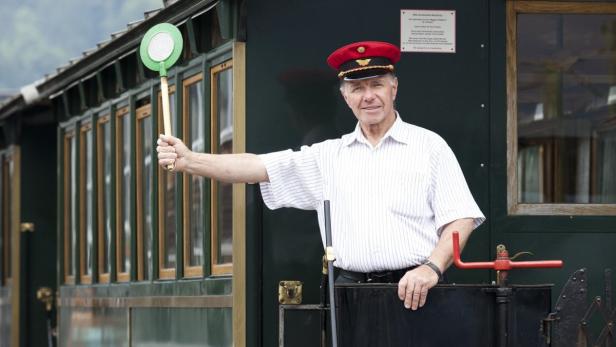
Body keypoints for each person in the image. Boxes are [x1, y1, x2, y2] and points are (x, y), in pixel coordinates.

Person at [157, 41, 485, 311]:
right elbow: (257, 167)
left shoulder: (429, 147)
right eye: (357, 88)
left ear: (393, 88)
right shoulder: (328, 156)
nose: (368, 96)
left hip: (417, 293)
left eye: (376, 85)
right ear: (345, 97)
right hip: (349, 295)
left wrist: (431, 268)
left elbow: (460, 218)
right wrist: (189, 160)